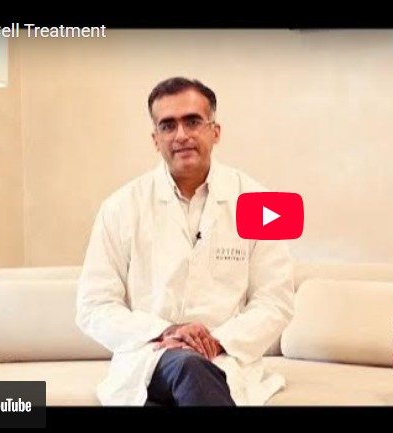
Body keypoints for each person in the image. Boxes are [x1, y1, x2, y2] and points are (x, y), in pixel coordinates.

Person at [76, 77, 294, 406]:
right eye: (168, 126)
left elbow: (275, 302)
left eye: (192, 122)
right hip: (150, 357)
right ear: (155, 139)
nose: (181, 135)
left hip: (225, 358)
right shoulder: (121, 207)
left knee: (192, 372)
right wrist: (165, 332)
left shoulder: (262, 203)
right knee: (187, 367)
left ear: (215, 131)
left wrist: (214, 341)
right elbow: (94, 306)